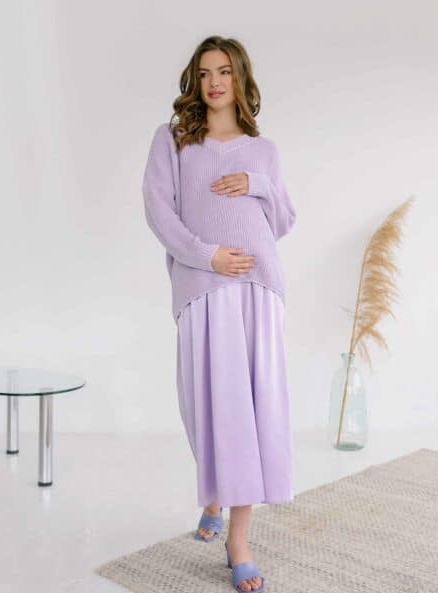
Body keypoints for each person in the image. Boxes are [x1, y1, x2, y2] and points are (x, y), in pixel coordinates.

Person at [142, 34, 297, 593]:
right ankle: (213, 494)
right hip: (203, 285)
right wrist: (208, 256)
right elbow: (159, 212)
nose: (214, 82)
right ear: (195, 80)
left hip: (259, 286)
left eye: (225, 71)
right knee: (208, 408)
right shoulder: (173, 140)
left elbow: (283, 220)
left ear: (240, 78)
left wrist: (257, 184)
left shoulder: (264, 150)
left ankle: (239, 540)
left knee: (251, 412)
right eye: (205, 72)